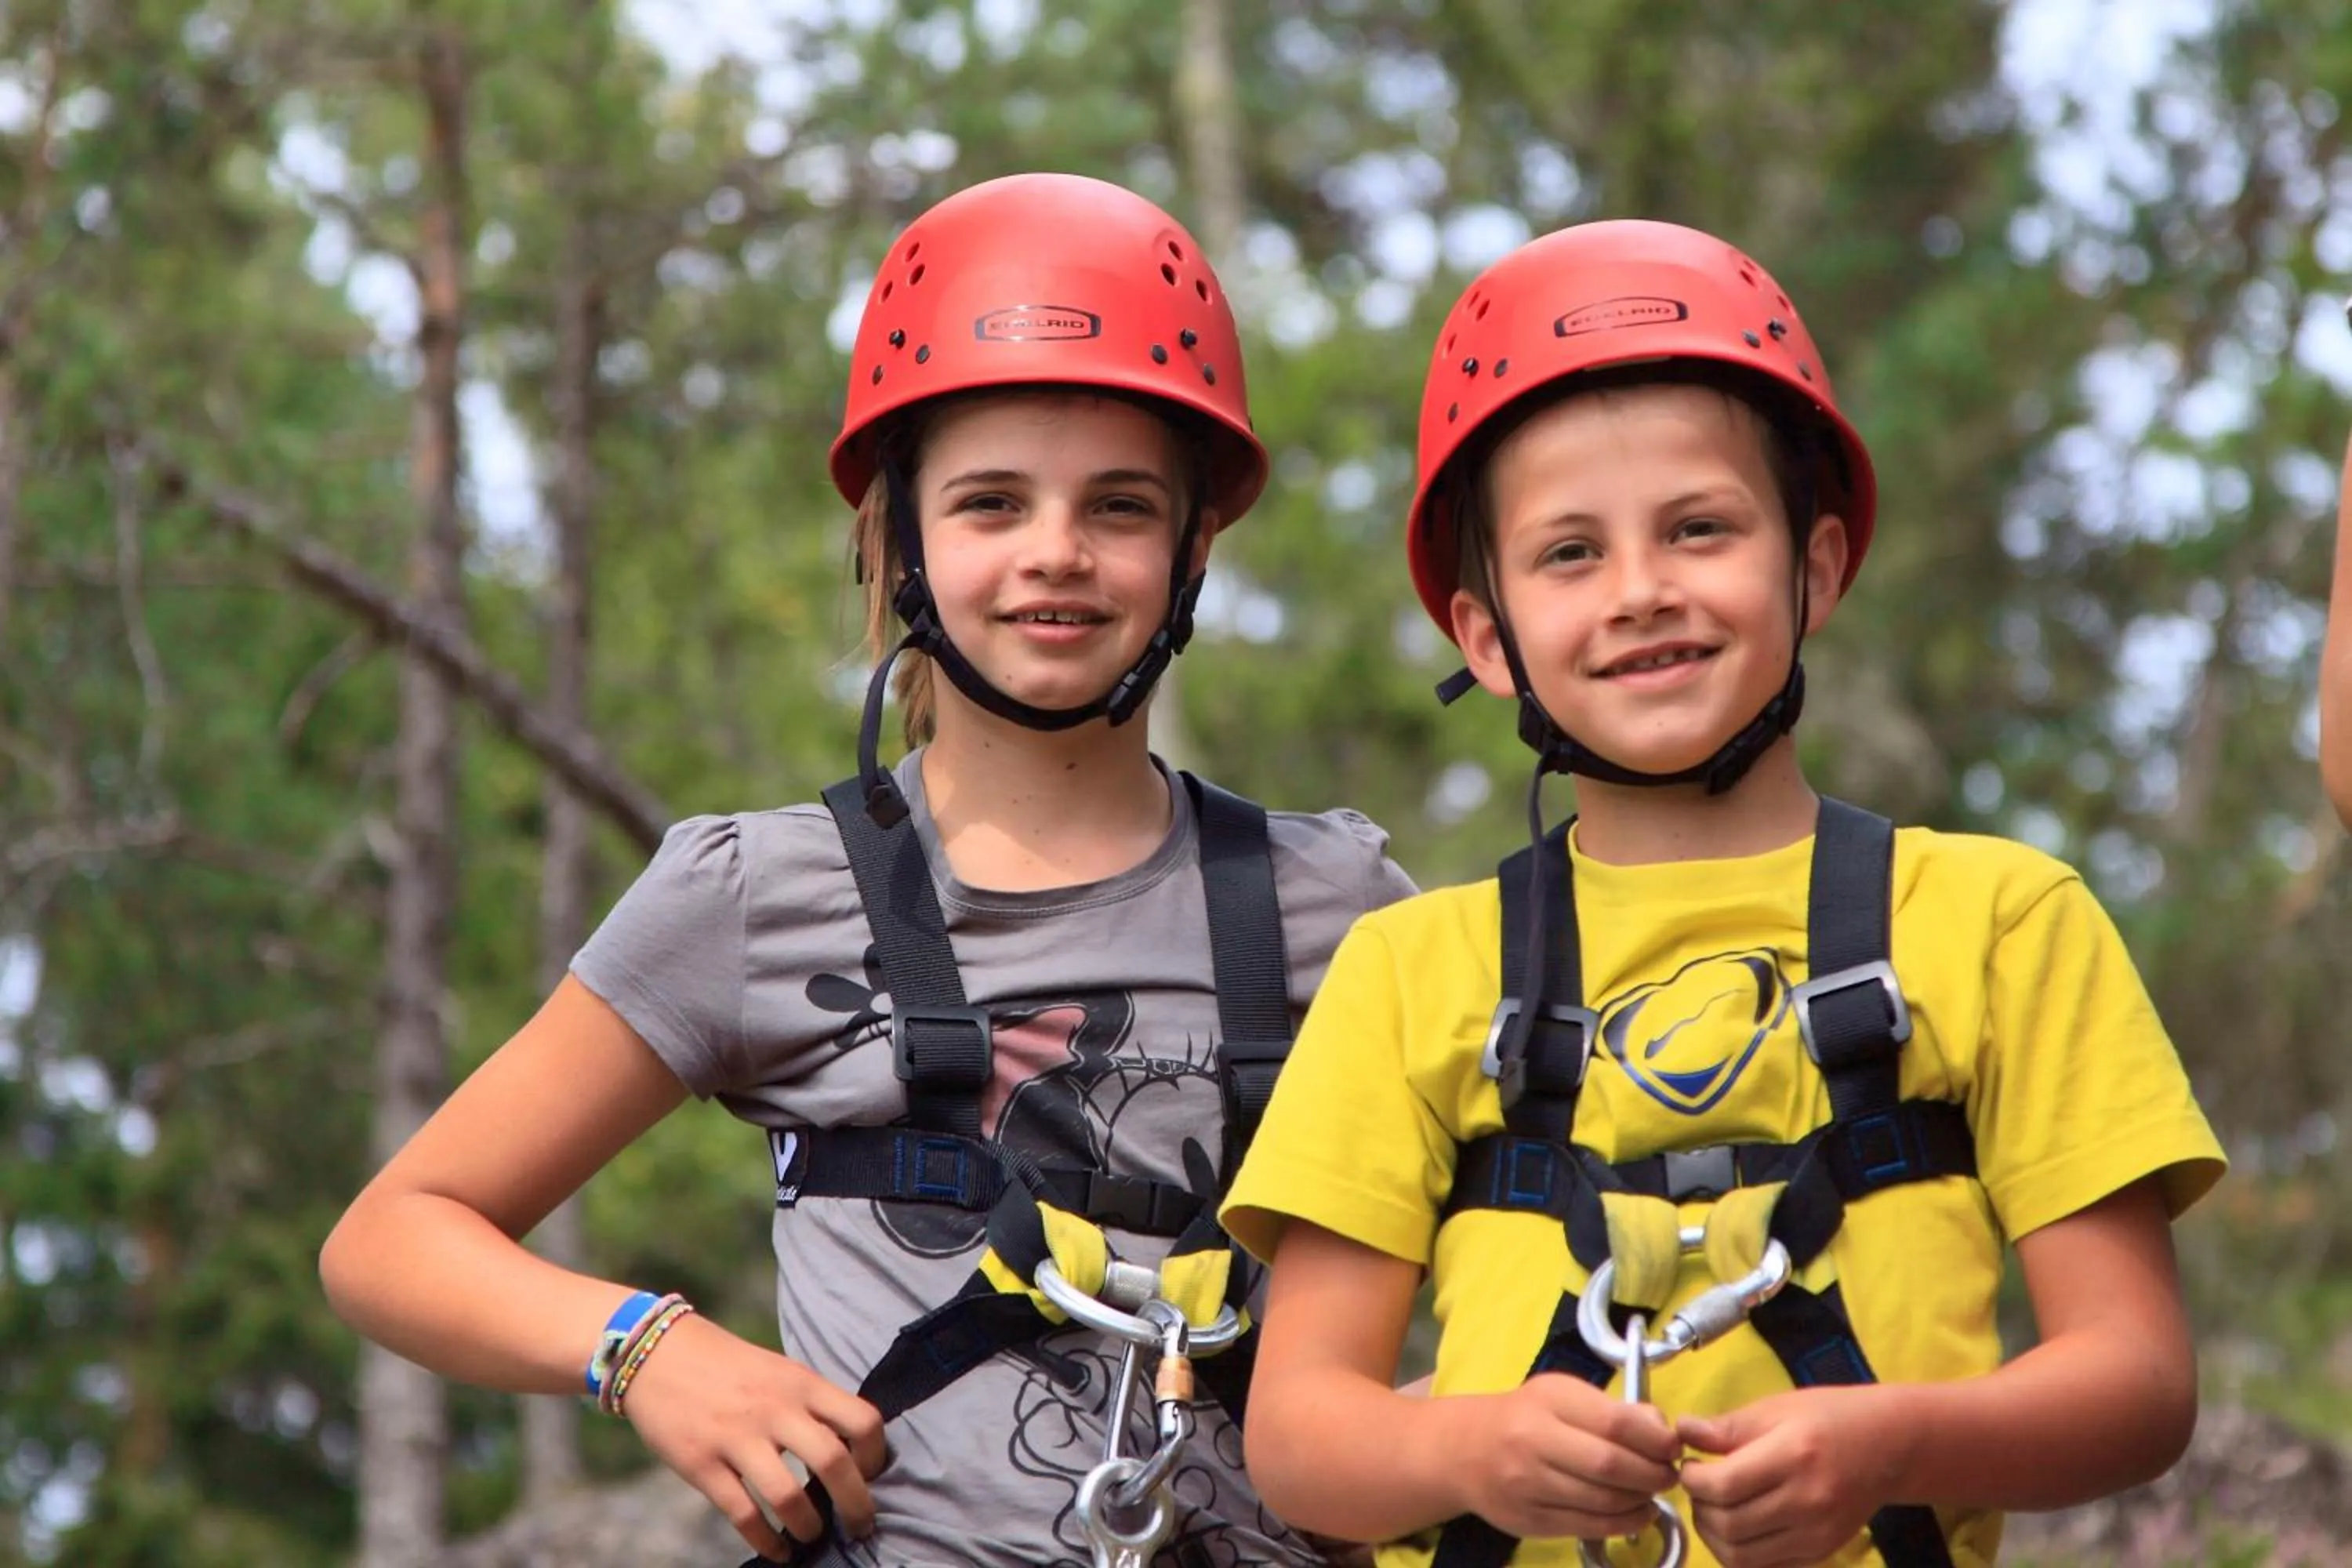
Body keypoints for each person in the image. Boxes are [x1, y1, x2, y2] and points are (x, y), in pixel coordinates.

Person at [319, 172, 1415, 1568]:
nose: (1056, 553)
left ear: (1196, 543)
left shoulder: (1338, 908)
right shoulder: (755, 894)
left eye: (1121, 506)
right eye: (991, 504)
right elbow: (394, 1240)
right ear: (896, 539)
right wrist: (649, 1351)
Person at [1219, 219, 2226, 1568]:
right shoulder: (1411, 970)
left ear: (1814, 569)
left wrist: (1894, 1444)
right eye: (1570, 554)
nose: (1641, 592)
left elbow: (2138, 1383)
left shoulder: (2001, 922)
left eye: (1698, 530)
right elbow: (1299, 1440)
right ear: (1488, 637)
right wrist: (1475, 1451)